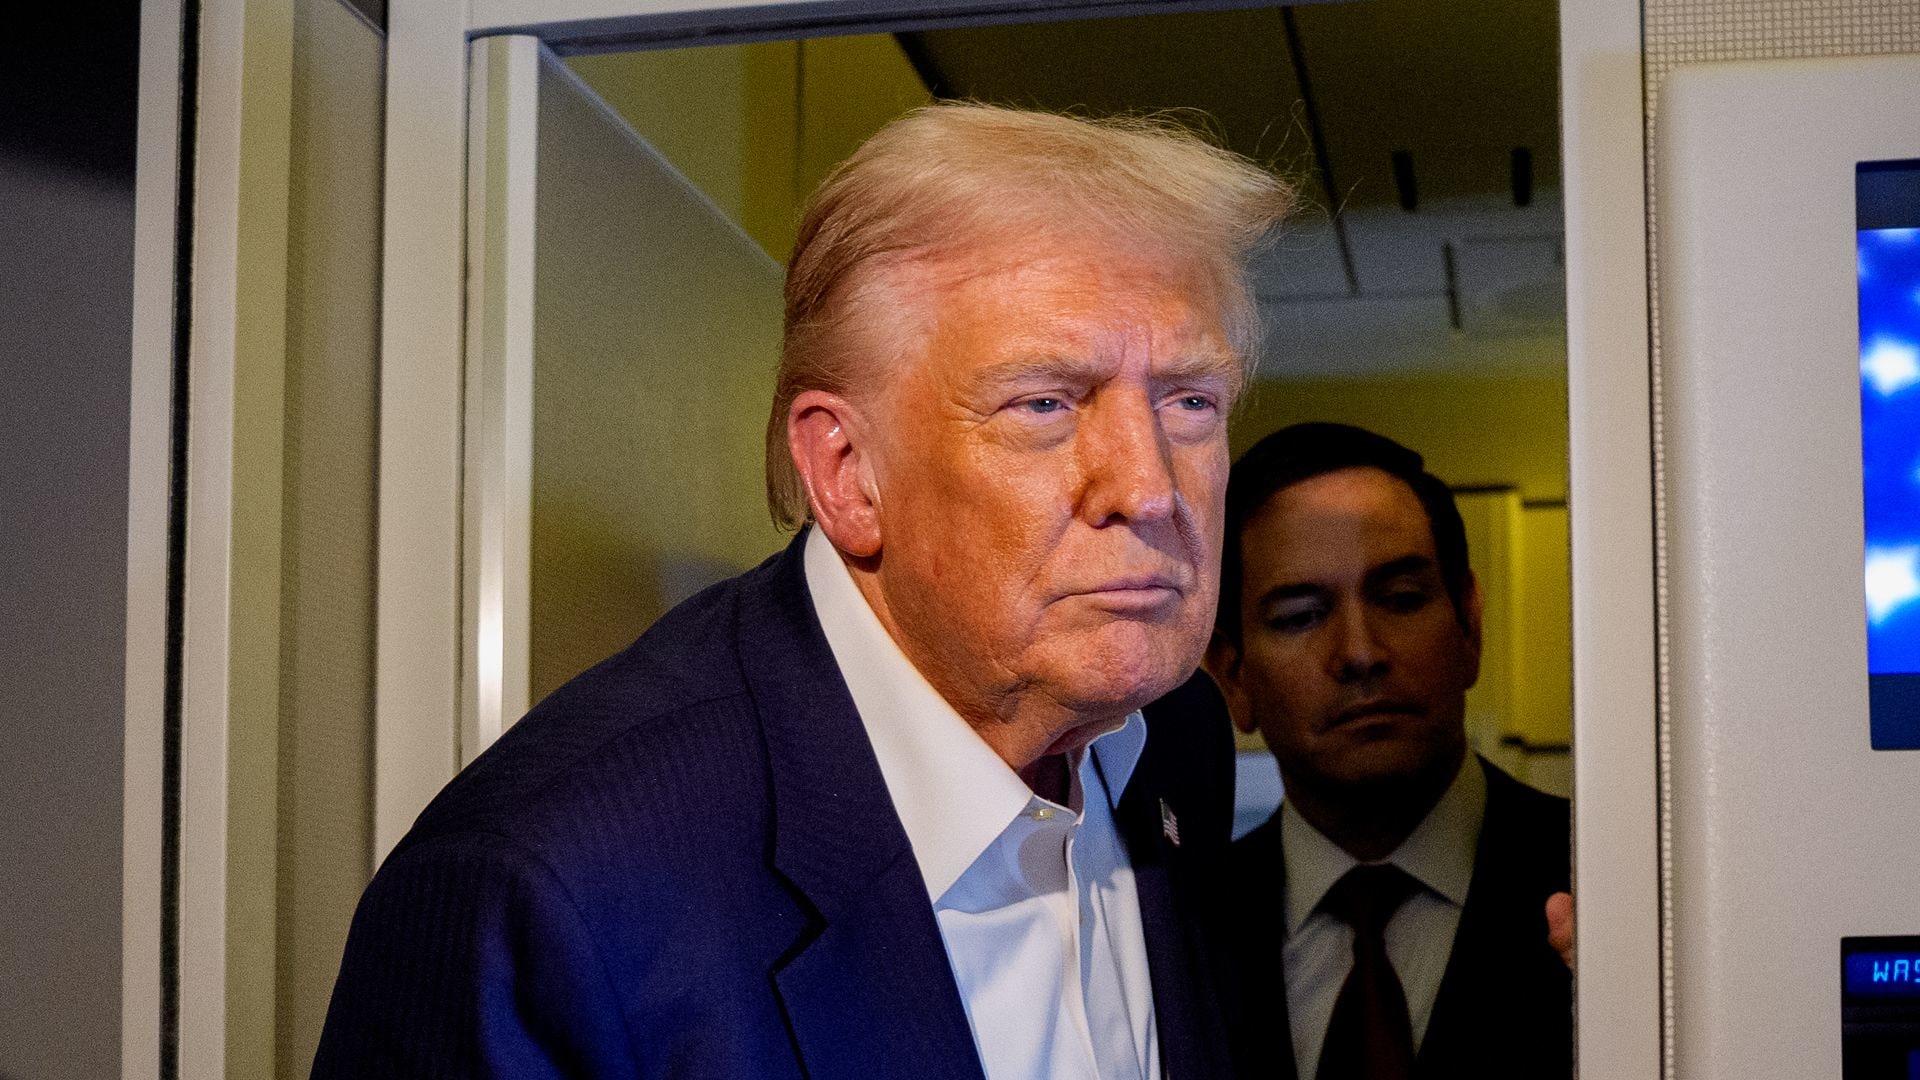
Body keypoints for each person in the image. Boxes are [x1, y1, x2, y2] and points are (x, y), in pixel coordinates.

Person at [310, 103, 1294, 1079]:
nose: (1151, 487)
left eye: (1190, 402)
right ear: (848, 472)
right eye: (1043, 403)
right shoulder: (541, 897)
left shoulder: (1176, 737)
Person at [1204, 422, 1572, 1080]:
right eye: (1299, 616)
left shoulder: (1612, 885)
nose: (1361, 652)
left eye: (1402, 600)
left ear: (1470, 626)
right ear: (1233, 676)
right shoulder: (1180, 929)